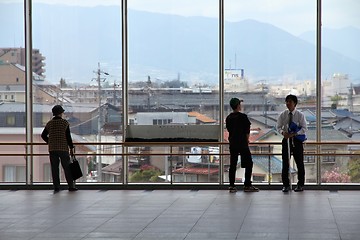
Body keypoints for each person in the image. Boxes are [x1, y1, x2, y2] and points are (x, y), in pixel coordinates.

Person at [41, 105, 78, 194]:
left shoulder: (49, 123)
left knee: (54, 168)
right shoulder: (64, 123)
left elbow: (43, 135)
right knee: (67, 168)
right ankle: (71, 186)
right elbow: (68, 137)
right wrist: (71, 147)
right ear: (61, 113)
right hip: (63, 148)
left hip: (52, 149)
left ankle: (56, 187)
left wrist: (49, 142)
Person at [226, 97, 259, 193]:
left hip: (233, 143)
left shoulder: (228, 118)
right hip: (242, 143)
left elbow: (229, 130)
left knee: (233, 164)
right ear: (238, 106)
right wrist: (247, 140)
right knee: (249, 163)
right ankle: (247, 185)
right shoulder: (243, 117)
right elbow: (247, 131)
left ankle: (231, 186)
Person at [276, 94, 307, 192]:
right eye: (287, 101)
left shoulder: (300, 115)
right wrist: (283, 133)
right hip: (286, 140)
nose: (288, 103)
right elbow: (278, 127)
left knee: (299, 163)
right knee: (285, 163)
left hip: (297, 141)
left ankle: (300, 184)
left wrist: (295, 134)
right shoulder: (283, 115)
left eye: (290, 102)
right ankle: (286, 185)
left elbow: (304, 128)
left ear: (295, 103)